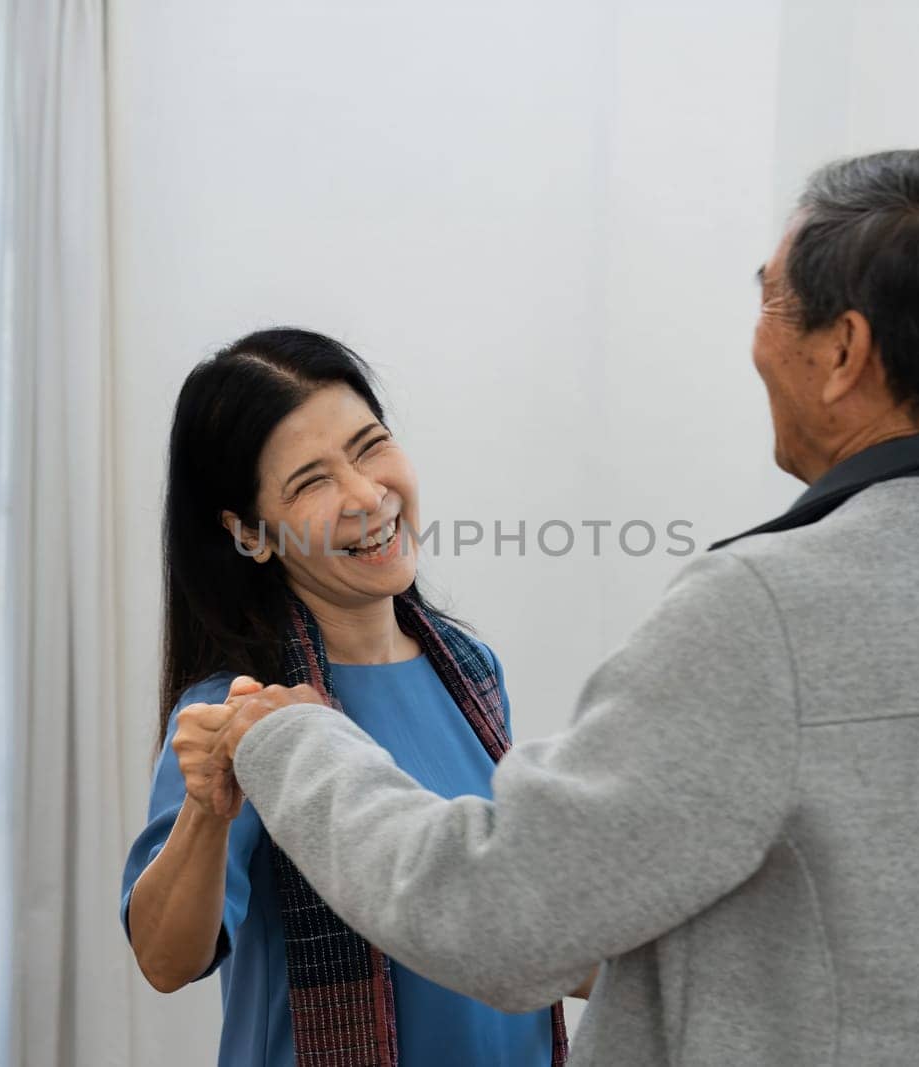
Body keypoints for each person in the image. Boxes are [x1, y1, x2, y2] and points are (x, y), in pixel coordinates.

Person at [199, 149, 919, 1065]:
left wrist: (293, 745)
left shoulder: (766, 609)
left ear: (843, 349)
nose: (756, 337)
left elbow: (495, 916)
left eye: (771, 300)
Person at [119, 328, 577, 1066]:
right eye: (311, 482)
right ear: (249, 533)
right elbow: (166, 959)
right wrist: (207, 807)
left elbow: (493, 898)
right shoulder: (243, 709)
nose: (366, 495)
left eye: (369, 446)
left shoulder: (470, 669)